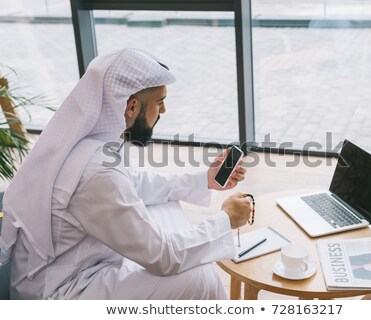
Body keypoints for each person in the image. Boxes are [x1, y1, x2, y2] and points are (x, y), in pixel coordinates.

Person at [0, 48, 251, 299]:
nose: (163, 111)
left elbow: (136, 183)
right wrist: (226, 220)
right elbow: (163, 257)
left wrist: (204, 180)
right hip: (61, 291)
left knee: (165, 207)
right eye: (160, 102)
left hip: (79, 265)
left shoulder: (91, 144)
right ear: (131, 107)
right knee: (199, 279)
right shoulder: (98, 174)